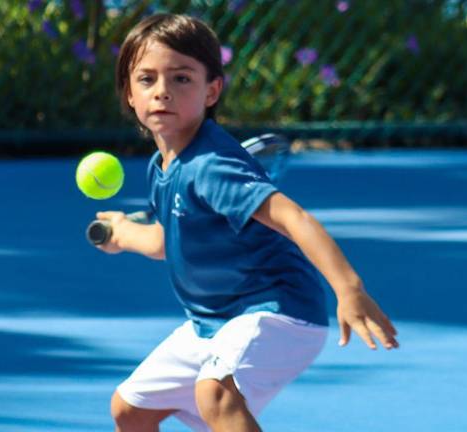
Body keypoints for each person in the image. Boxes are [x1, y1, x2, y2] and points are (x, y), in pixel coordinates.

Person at [95, 13, 399, 432]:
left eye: (181, 79)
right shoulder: (160, 164)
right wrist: (122, 232)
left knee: (215, 393)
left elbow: (293, 217)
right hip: (213, 321)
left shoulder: (213, 167)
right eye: (147, 80)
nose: (162, 91)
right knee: (129, 411)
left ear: (212, 90)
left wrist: (349, 289)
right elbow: (168, 241)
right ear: (129, 93)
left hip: (278, 310)